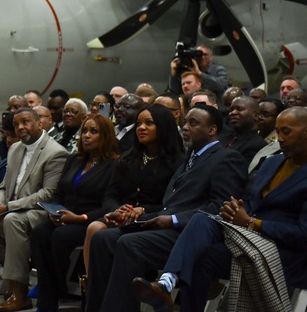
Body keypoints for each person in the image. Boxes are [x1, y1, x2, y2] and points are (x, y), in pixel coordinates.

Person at [132, 106, 307, 312]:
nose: (280, 138)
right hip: (247, 239)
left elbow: (303, 234)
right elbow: (252, 203)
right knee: (202, 227)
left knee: (202, 249)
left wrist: (253, 223)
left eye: (286, 132)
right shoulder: (272, 162)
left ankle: (167, 283)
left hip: (282, 252)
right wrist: (234, 210)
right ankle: (166, 283)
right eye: (277, 132)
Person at [84, 105, 247, 312]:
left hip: (190, 233)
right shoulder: (191, 158)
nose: (185, 127)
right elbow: (168, 205)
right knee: (102, 238)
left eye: (193, 123)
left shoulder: (226, 158)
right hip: (167, 225)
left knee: (129, 243)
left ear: (212, 130)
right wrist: (134, 217)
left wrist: (173, 220)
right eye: (185, 122)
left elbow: (220, 207)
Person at [0, 108, 70, 311]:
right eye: (17, 124)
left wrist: (7, 208)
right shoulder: (15, 149)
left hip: (37, 211)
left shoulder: (56, 152)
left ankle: (19, 291)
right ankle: (11, 263)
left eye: (26, 122)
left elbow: (47, 194)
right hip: (10, 207)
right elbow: (4, 185)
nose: (20, 127)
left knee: (13, 220)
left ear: (40, 123)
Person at [81, 104, 186, 291]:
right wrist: (115, 210)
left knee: (111, 236)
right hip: (120, 215)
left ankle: (117, 291)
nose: (141, 128)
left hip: (149, 219)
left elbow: (171, 203)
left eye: (149, 123)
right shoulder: (128, 158)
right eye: (138, 123)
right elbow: (111, 195)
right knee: (95, 228)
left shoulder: (178, 162)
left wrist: (143, 210)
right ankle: (92, 289)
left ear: (163, 126)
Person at [29, 114, 120, 312]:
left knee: (61, 236)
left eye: (93, 131)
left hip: (88, 220)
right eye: (84, 131)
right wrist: (52, 210)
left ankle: (52, 293)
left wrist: (81, 218)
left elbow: (109, 204)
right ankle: (50, 294)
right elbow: (58, 193)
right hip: (64, 216)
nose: (86, 136)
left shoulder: (115, 165)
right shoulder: (75, 159)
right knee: (39, 233)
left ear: (105, 135)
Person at [223, 96, 267, 164]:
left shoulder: (258, 145)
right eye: (231, 110)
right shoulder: (222, 138)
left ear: (256, 116)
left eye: (239, 109)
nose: (233, 112)